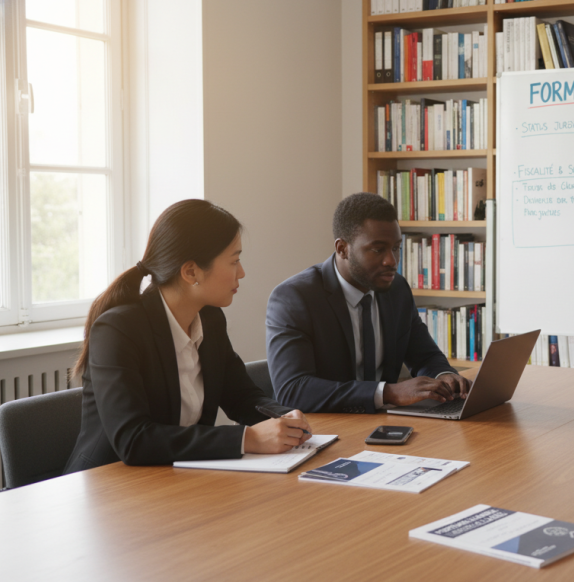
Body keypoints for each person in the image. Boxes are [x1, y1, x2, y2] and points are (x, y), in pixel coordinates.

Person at [65, 200, 311, 474]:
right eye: (234, 260)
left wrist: (281, 415)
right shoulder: (118, 330)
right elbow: (134, 439)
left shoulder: (210, 318)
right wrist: (248, 439)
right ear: (191, 271)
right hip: (110, 486)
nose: (241, 272)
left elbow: (240, 395)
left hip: (176, 479)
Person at [266, 193, 471, 414]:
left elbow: (425, 355)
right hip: (324, 429)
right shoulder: (294, 298)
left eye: (396, 248)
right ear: (342, 248)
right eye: (377, 249)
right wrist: (388, 393)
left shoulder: (397, 290)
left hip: (385, 425)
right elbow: (293, 390)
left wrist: (444, 376)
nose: (391, 261)